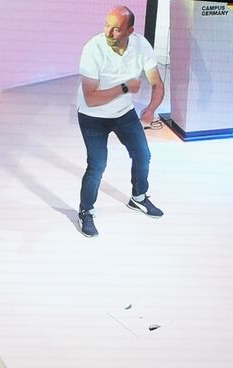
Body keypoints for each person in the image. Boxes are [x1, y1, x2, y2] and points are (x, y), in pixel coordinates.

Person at [76, 5, 165, 237]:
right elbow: (91, 98)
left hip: (124, 113)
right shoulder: (92, 48)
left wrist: (151, 109)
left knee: (143, 154)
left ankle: (138, 197)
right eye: (107, 26)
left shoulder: (140, 45)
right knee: (97, 165)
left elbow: (156, 82)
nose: (109, 32)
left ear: (130, 30)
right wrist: (125, 86)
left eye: (116, 29)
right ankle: (86, 210)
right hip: (92, 116)